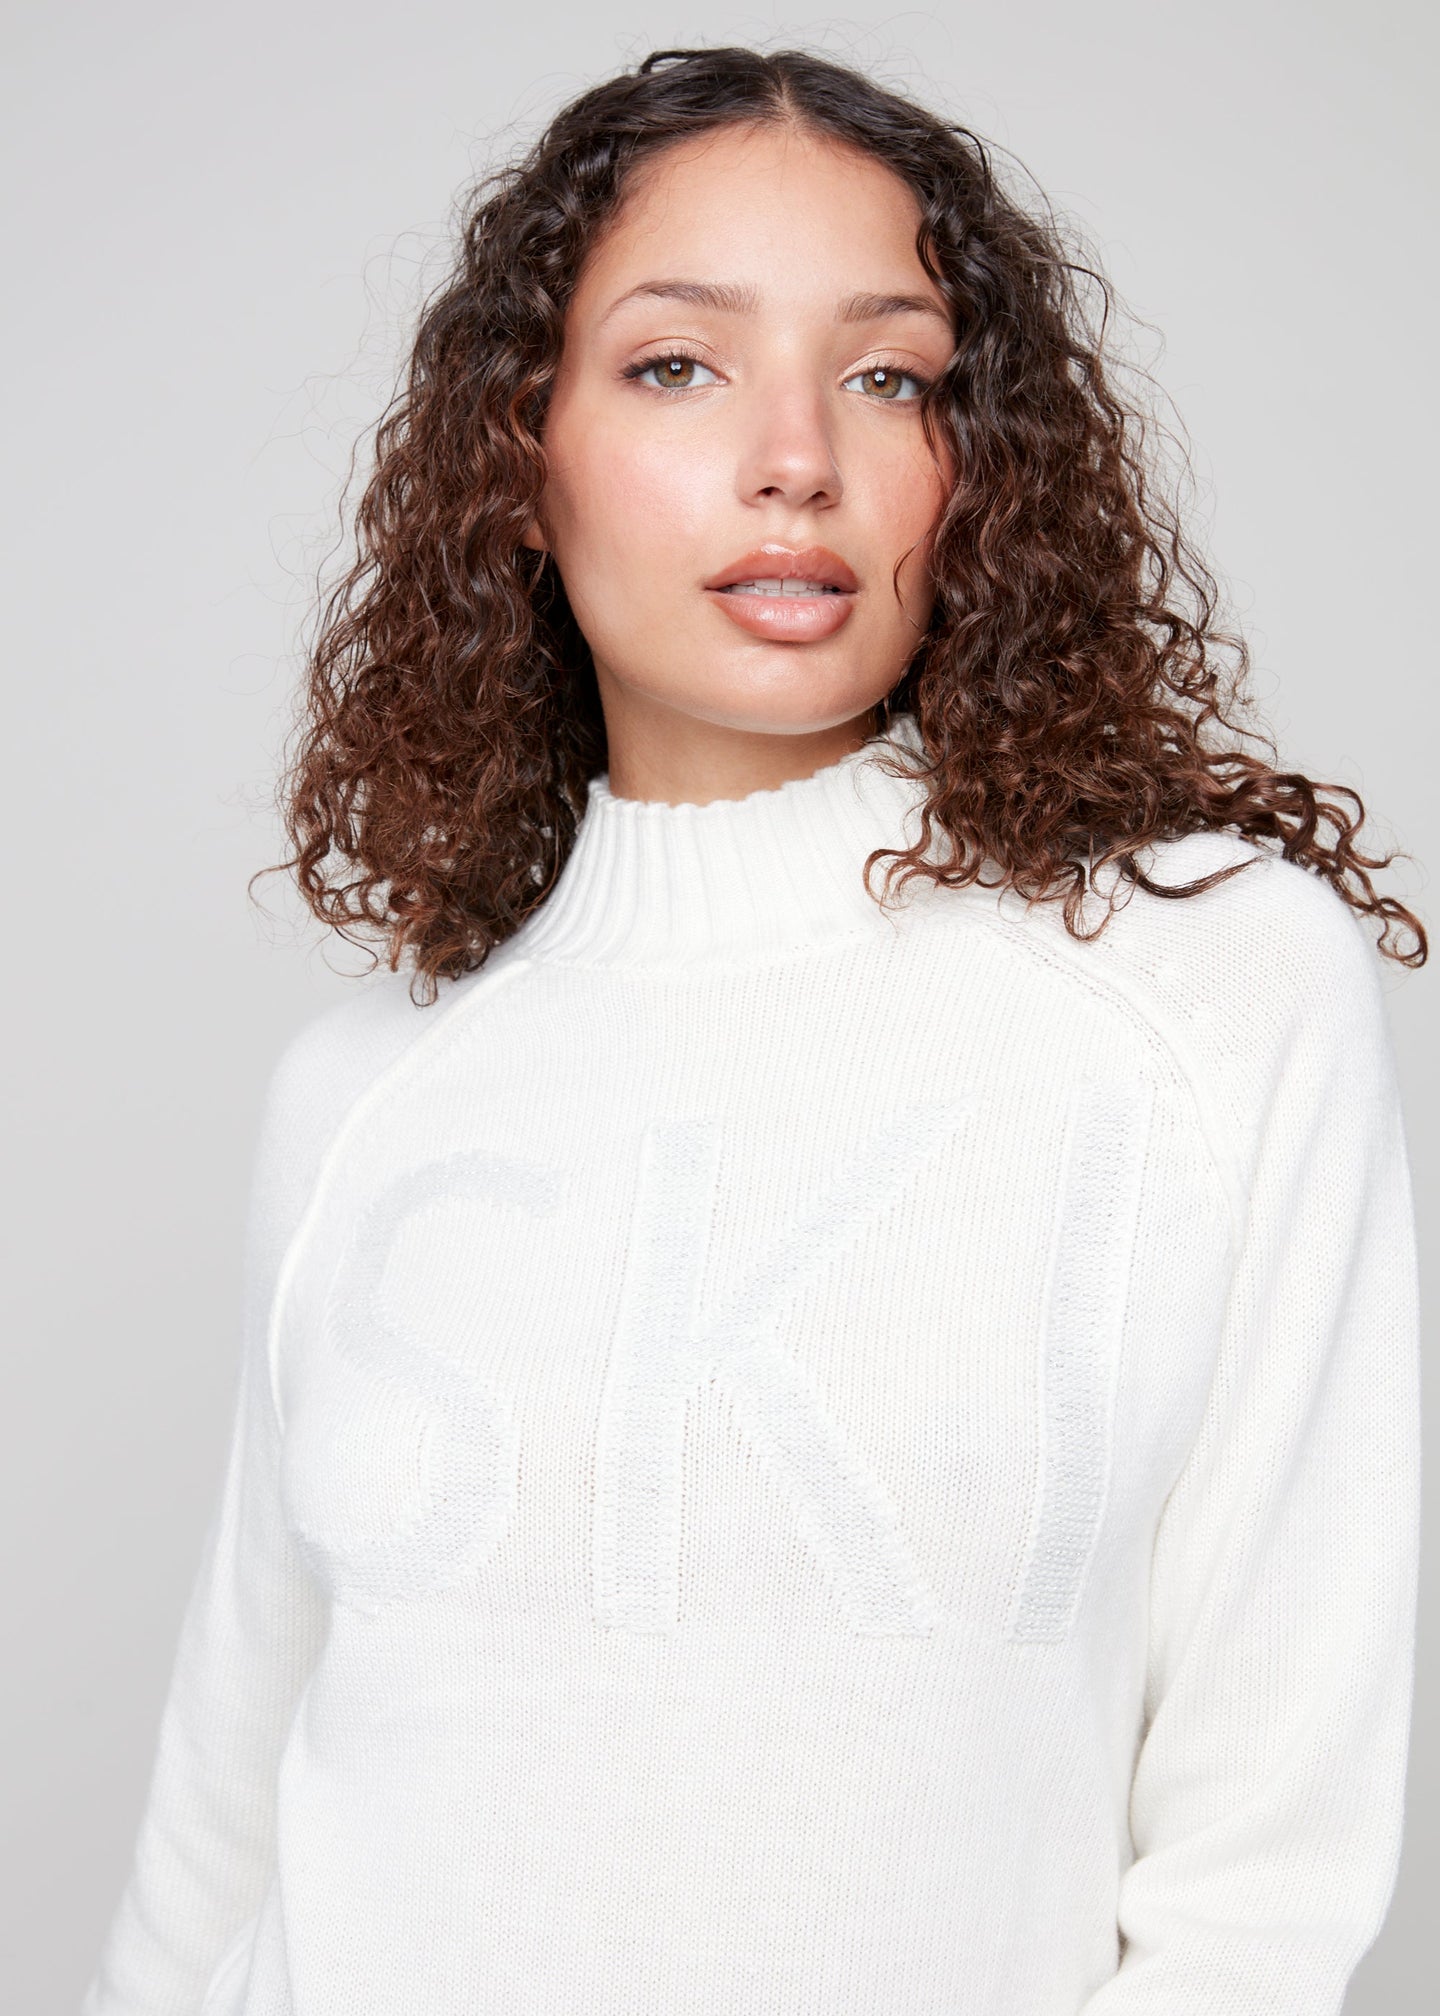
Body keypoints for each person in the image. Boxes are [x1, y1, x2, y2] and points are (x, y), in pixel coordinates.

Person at [82, 44, 1424, 2016]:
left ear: (981, 471)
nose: (796, 456)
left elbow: (1263, 1889)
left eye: (891, 377)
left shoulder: (1208, 991)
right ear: (517, 460)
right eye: (676, 366)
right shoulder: (363, 1098)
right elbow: (215, 1848)